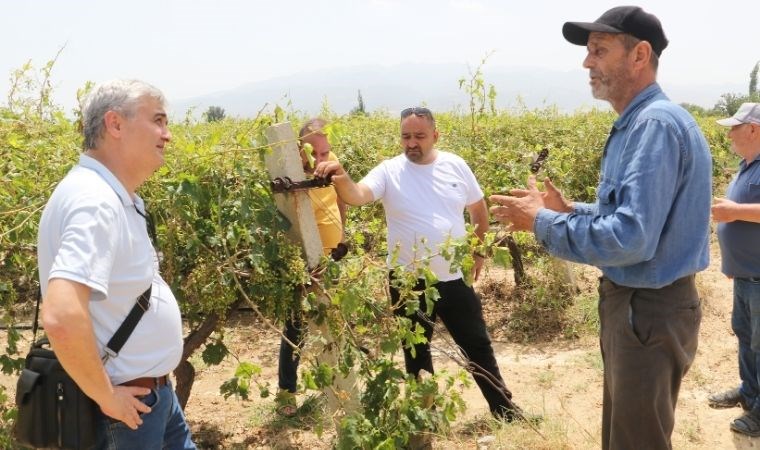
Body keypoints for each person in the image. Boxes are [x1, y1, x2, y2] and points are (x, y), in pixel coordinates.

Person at [489, 6, 711, 449]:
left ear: (639, 55)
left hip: (646, 311)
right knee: (628, 434)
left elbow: (632, 237)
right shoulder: (641, 124)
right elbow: (637, 214)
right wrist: (571, 210)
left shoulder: (653, 126)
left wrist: (542, 222)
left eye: (599, 50)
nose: (587, 63)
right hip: (641, 308)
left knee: (636, 442)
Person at [313, 107, 523, 420]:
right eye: (406, 136)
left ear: (435, 136)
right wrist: (341, 177)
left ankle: (504, 410)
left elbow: (478, 210)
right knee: (416, 353)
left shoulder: (456, 165)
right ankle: (425, 417)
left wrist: (478, 250)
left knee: (477, 345)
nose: (412, 143)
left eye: (419, 136)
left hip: (452, 277)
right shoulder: (388, 171)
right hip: (407, 282)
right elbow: (358, 195)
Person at [38, 79, 196, 449]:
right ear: (116, 124)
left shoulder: (107, 195)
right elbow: (61, 316)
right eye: (157, 120)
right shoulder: (95, 202)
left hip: (151, 400)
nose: (167, 134)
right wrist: (107, 395)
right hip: (126, 412)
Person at [275, 118, 346, 416]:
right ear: (299, 150)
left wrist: (343, 236)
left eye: (325, 151)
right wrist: (303, 266)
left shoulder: (332, 165)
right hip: (307, 265)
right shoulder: (293, 182)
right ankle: (286, 394)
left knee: (335, 323)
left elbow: (342, 198)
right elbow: (291, 228)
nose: (321, 159)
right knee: (297, 328)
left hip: (332, 259)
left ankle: (338, 387)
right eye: (313, 152)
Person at [707, 103, 760, 437]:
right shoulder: (746, 166)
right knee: (746, 339)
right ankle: (749, 392)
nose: (728, 134)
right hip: (745, 275)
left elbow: (741, 213)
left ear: (753, 129)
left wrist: (735, 210)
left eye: (734, 128)